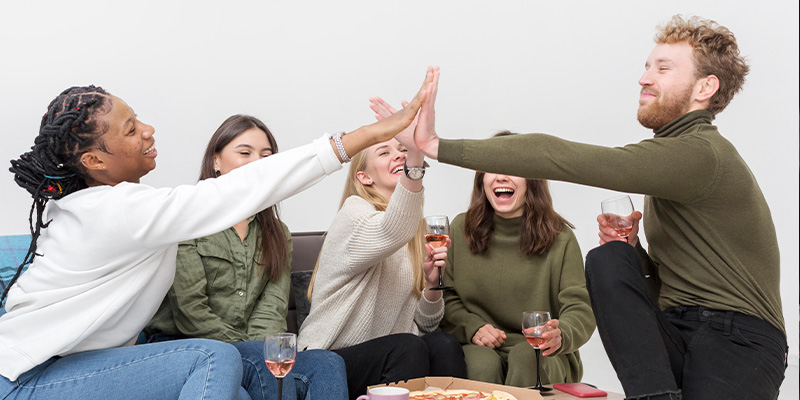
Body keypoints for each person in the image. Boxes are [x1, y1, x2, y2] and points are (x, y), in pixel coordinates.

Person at [409, 16, 788, 400]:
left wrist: (437, 146)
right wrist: (634, 253)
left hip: (738, 338)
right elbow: (666, 284)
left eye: (662, 68)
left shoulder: (700, 154)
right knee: (610, 259)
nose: (644, 78)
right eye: (646, 67)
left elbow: (559, 157)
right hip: (676, 325)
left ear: (705, 87)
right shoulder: (671, 161)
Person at [0, 67, 431, 399]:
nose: (147, 130)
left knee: (317, 365)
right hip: (30, 378)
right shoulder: (110, 210)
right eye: (130, 129)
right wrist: (368, 135)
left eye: (138, 119)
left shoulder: (124, 206)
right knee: (212, 355)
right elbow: (237, 191)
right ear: (94, 160)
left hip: (96, 362)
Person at [144, 114, 347, 400]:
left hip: (248, 348)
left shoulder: (277, 232)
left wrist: (259, 348)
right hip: (186, 345)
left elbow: (272, 310)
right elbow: (192, 312)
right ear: (216, 162)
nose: (258, 162)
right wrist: (252, 348)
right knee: (264, 360)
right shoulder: (187, 220)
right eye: (244, 153)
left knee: (328, 363)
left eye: (266, 155)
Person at [298, 67, 467, 400]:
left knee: (442, 343)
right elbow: (393, 227)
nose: (398, 155)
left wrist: (432, 284)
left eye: (401, 149)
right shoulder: (354, 214)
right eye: (385, 151)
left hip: (390, 352)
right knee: (407, 349)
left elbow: (425, 324)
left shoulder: (413, 231)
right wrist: (416, 152)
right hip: (326, 358)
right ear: (364, 178)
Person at [437, 131, 595, 387]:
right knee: (481, 364)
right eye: (492, 168)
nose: (501, 176)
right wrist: (473, 327)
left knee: (525, 357)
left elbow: (580, 307)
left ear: (531, 180)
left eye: (512, 167)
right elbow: (447, 296)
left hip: (542, 350)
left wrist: (560, 334)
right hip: (481, 344)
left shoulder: (560, 237)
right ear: (482, 180)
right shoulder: (459, 228)